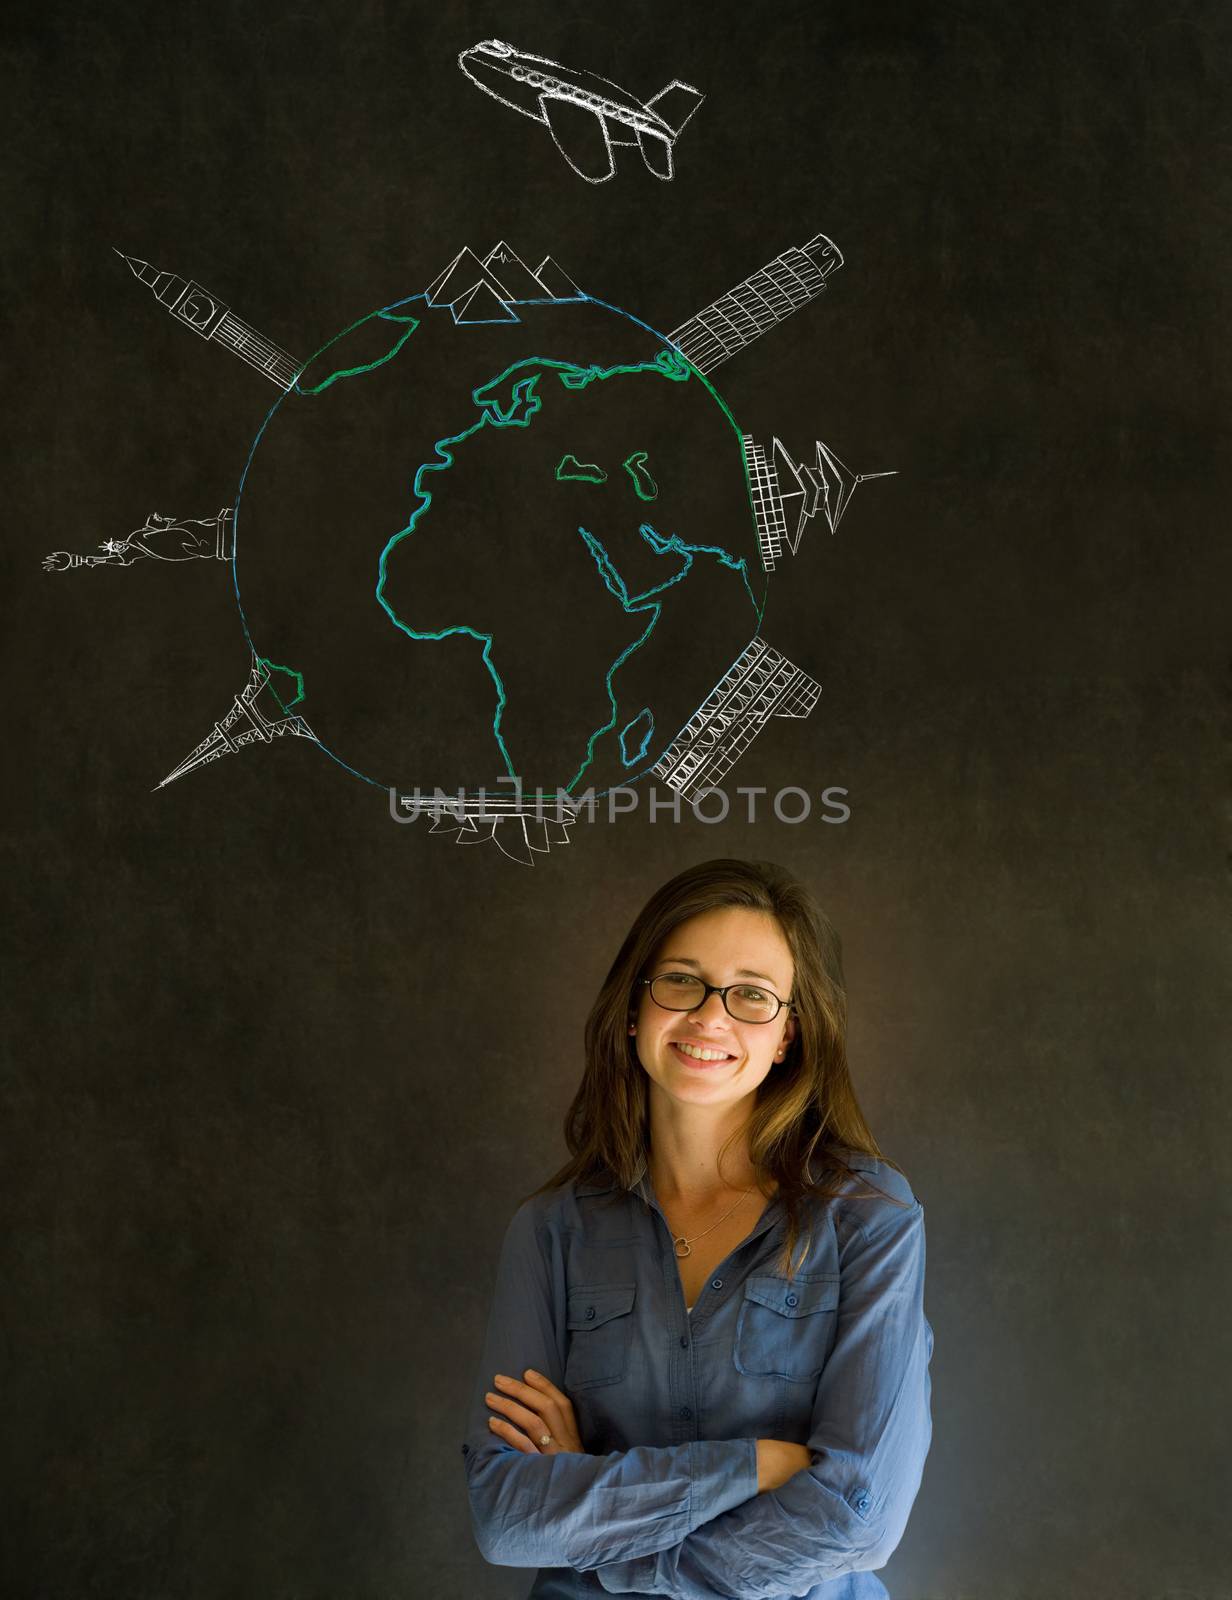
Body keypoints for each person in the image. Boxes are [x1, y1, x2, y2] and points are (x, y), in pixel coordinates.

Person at [460, 857, 933, 1598]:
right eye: (681, 980)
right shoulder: (550, 1232)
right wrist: (751, 1465)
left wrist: (606, 1537)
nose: (710, 1017)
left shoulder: (870, 1217)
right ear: (633, 1008)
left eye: (752, 995)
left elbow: (858, 1518)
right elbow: (508, 1518)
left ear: (788, 1036)